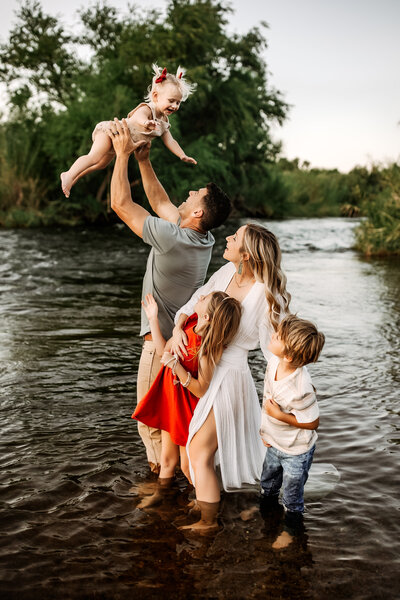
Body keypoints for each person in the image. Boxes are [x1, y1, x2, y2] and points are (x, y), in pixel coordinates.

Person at [105, 117, 231, 475]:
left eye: (194, 196)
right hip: (178, 344)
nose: (188, 194)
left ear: (197, 212)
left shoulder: (174, 238)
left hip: (158, 346)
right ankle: (172, 483)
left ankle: (160, 491)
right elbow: (162, 204)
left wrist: (122, 155)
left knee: (149, 424)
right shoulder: (202, 239)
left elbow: (121, 204)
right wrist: (145, 160)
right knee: (165, 424)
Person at [171, 223, 291, 531]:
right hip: (207, 369)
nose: (227, 238)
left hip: (231, 380)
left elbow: (275, 353)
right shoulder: (223, 274)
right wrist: (175, 332)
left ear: (248, 254)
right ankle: (209, 502)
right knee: (194, 455)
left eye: (234, 237)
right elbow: (192, 303)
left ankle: (208, 522)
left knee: (199, 451)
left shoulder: (265, 295)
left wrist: (282, 395)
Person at [132, 291, 241, 509]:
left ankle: (204, 503)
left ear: (208, 317)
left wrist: (177, 367)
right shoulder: (189, 324)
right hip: (170, 398)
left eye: (203, 299)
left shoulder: (207, 348)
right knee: (166, 460)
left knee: (187, 466)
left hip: (187, 406)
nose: (198, 299)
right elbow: (165, 352)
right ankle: (161, 495)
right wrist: (153, 318)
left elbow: (201, 389)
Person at [60, 64, 196, 198]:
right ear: (155, 96)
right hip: (111, 132)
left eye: (178, 103)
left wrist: (182, 155)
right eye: (171, 101)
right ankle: (69, 174)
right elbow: (138, 117)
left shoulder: (164, 123)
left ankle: (74, 176)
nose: (174, 106)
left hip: (119, 143)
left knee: (101, 164)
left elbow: (171, 141)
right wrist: (146, 122)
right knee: (94, 157)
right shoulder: (148, 109)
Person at [259, 314, 325, 532]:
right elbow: (267, 398)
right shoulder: (273, 363)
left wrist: (278, 416)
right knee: (267, 484)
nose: (272, 335)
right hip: (274, 442)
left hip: (297, 451)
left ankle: (291, 531)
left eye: (277, 336)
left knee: (292, 496)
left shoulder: (301, 387)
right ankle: (265, 514)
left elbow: (313, 422)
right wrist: (265, 431)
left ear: (287, 355)